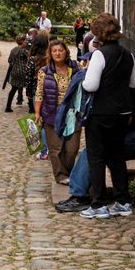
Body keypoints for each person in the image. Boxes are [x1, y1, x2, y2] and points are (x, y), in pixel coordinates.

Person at [79, 13, 135, 219]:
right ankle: (123, 201)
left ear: (98, 33)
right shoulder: (128, 54)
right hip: (123, 113)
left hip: (101, 113)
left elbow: (91, 85)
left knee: (96, 157)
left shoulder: (99, 55)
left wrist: (82, 79)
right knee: (116, 156)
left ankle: (99, 204)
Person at [56, 85, 135, 213]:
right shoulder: (117, 79)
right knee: (95, 150)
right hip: (130, 131)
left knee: (93, 151)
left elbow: (126, 120)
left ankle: (80, 197)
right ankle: (113, 197)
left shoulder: (123, 86)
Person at [35, 39, 83, 184]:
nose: (57, 53)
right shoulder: (44, 72)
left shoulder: (75, 68)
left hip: (73, 113)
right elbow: (39, 93)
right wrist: (37, 113)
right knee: (56, 149)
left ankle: (67, 172)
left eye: (60, 50)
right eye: (54, 51)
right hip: (52, 113)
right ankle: (61, 176)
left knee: (72, 149)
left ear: (66, 52)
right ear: (50, 53)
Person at [5, 34, 30, 111]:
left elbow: (9, 61)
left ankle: (8, 107)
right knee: (29, 89)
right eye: (25, 40)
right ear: (22, 41)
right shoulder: (24, 50)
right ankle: (31, 108)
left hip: (15, 72)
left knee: (13, 89)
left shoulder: (13, 50)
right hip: (24, 72)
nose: (27, 41)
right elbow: (30, 58)